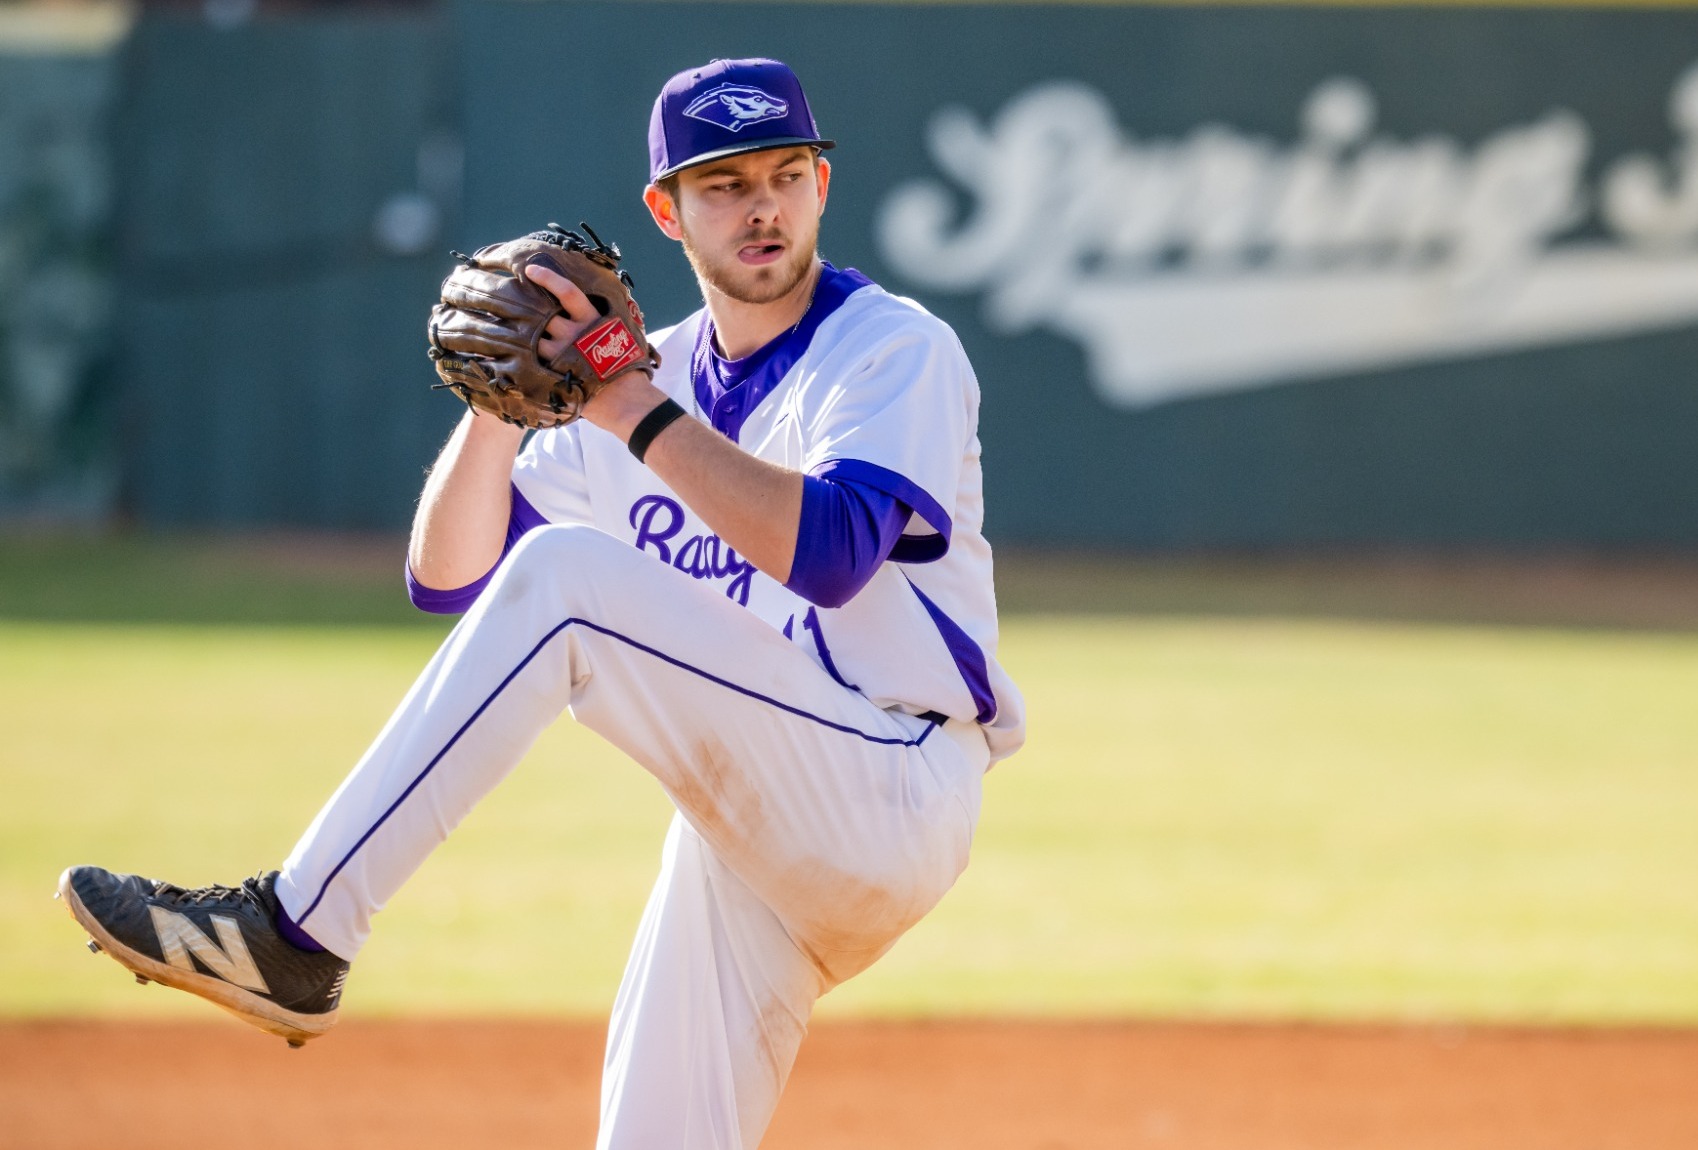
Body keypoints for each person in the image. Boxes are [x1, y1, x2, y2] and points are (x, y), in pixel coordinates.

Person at [60, 57, 1024, 1149]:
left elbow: (834, 554)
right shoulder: (643, 378)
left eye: (785, 173)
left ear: (821, 185)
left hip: (891, 780)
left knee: (571, 580)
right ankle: (297, 935)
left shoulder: (890, 349)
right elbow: (455, 581)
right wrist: (500, 405)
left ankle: (297, 931)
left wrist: (625, 407)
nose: (761, 206)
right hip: (754, 830)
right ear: (666, 210)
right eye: (723, 184)